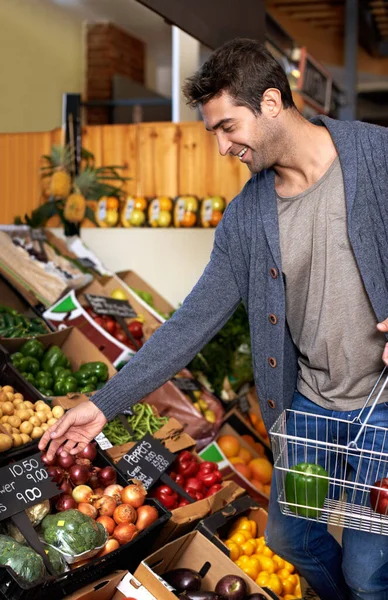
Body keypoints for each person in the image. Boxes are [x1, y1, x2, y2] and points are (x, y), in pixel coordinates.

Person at [39, 39, 388, 599]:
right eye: (214, 133)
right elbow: (191, 321)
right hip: (309, 407)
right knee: (291, 538)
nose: (223, 147)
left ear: (272, 102)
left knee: (369, 572)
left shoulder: (376, 158)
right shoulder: (247, 218)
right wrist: (102, 405)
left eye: (228, 127)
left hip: (381, 407)